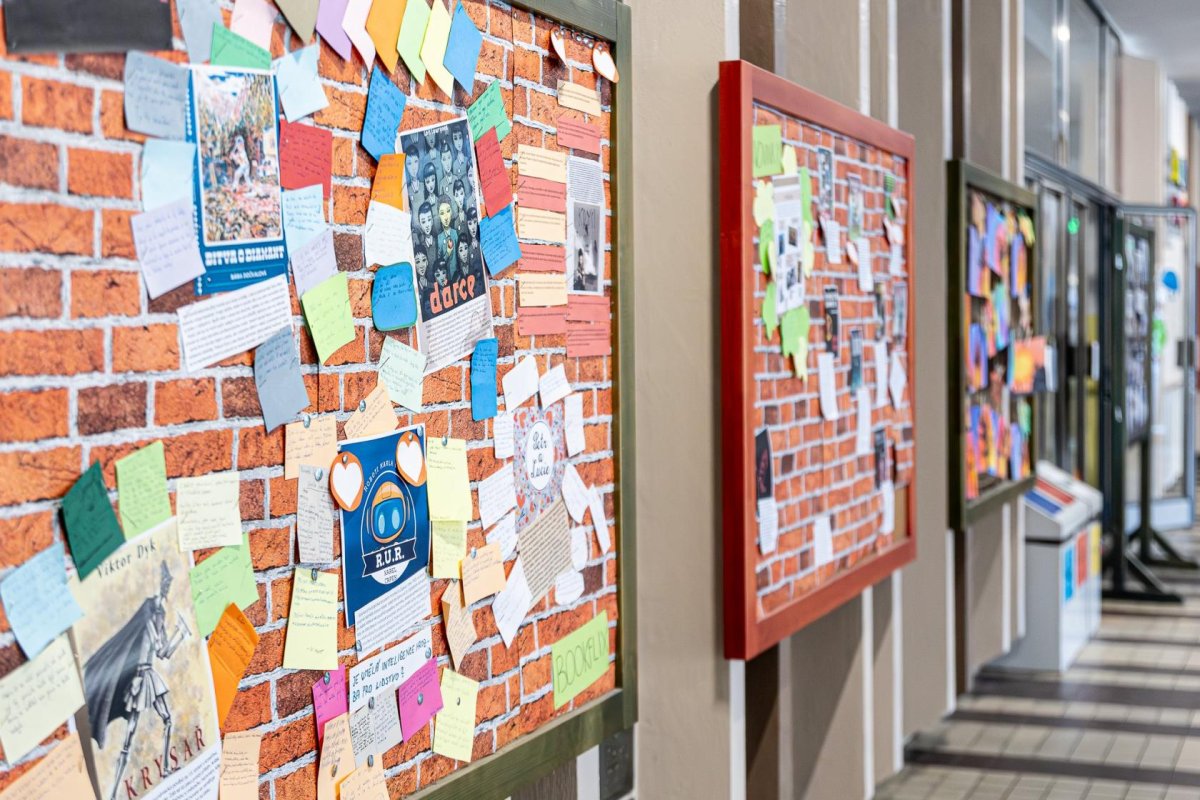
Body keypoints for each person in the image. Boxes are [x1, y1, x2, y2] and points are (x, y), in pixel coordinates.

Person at [437, 199, 459, 276]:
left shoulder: (455, 233)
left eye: (448, 211)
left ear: (451, 212)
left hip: (457, 275)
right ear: (439, 216)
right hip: (445, 277)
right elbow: (439, 262)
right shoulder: (439, 238)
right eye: (442, 213)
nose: (446, 217)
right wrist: (447, 253)